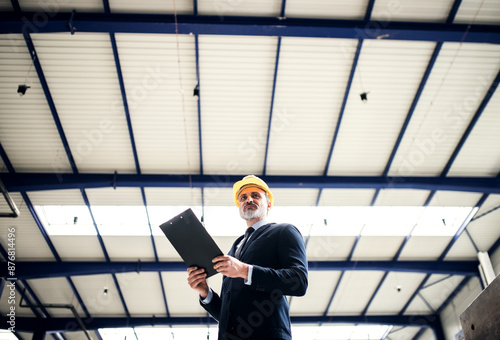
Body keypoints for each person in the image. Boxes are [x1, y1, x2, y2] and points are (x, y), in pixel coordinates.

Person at [187, 175, 308, 340]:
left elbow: (299, 282)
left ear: (269, 204)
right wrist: (205, 292)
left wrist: (245, 271)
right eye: (243, 197)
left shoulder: (284, 231)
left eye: (256, 195)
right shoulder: (234, 249)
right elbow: (228, 313)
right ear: (239, 207)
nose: (248, 199)